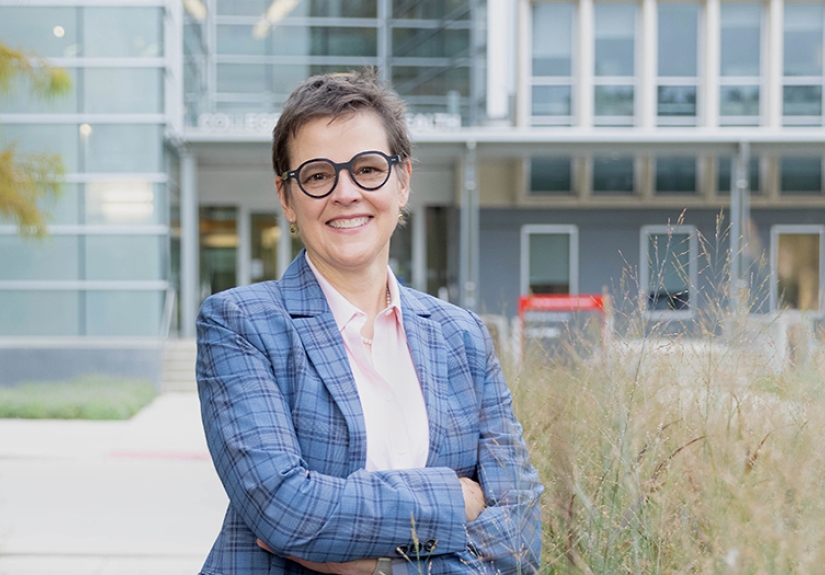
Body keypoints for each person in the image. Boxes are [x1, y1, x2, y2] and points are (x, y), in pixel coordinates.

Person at [196, 69, 543, 575]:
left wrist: (380, 569)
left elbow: (520, 535)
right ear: (286, 197)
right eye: (317, 175)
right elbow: (286, 510)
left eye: (367, 168)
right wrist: (454, 496)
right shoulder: (241, 325)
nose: (345, 192)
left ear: (402, 183)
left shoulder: (463, 336)